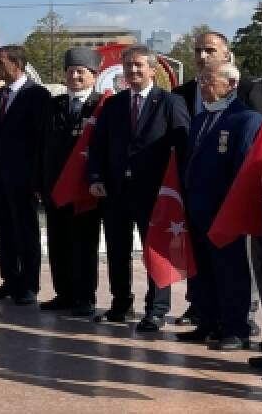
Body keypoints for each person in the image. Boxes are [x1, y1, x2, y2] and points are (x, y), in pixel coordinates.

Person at [89, 45, 190, 332]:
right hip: (116, 191)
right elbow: (97, 146)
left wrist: (178, 188)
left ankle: (156, 310)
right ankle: (121, 304)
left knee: (155, 251)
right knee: (116, 251)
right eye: (128, 66)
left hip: (156, 193)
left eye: (138, 66)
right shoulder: (114, 104)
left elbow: (182, 146)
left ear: (152, 69)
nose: (132, 71)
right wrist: (96, 177)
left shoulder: (170, 102)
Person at [171, 30, 262, 328]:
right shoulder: (201, 117)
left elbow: (247, 164)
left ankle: (236, 326)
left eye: (209, 81)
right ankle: (208, 321)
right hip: (198, 206)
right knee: (206, 267)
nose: (203, 87)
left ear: (231, 84)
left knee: (232, 268)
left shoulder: (247, 116)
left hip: (227, 206)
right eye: (201, 82)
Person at [0, 45, 51, 306]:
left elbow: (40, 141)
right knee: (4, 231)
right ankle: (10, 279)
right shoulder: (0, 94)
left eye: (0, 63)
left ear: (17, 64)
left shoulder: (37, 95)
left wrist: (37, 179)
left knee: (26, 232)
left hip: (23, 178)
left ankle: (29, 284)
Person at [41, 47, 105, 317]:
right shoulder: (54, 105)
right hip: (55, 186)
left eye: (81, 71)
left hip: (84, 189)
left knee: (83, 243)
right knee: (57, 242)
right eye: (71, 71)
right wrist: (39, 183)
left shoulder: (101, 105)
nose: (75, 76)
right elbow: (42, 146)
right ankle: (63, 292)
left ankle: (84, 296)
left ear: (93, 75)